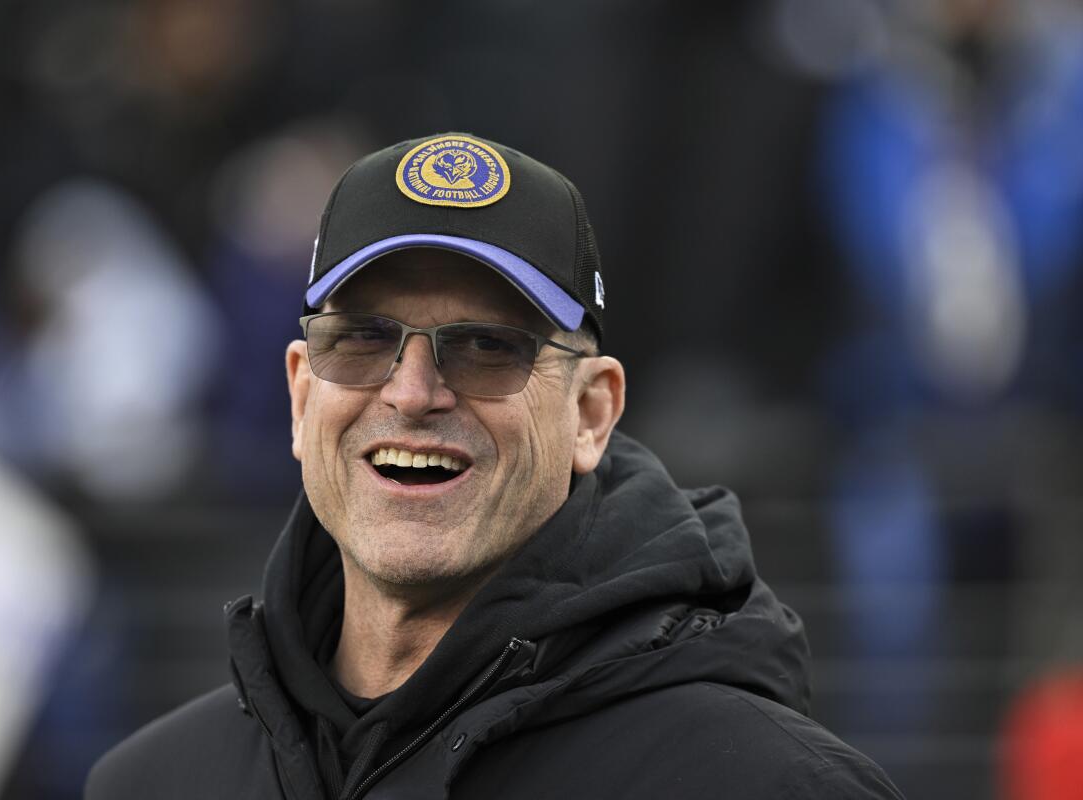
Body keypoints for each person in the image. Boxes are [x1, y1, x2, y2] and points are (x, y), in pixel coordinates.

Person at [86, 134, 904, 798]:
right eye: (364, 339)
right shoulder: (151, 782)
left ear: (591, 414)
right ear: (302, 397)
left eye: (486, 348)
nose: (411, 393)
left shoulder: (764, 785)